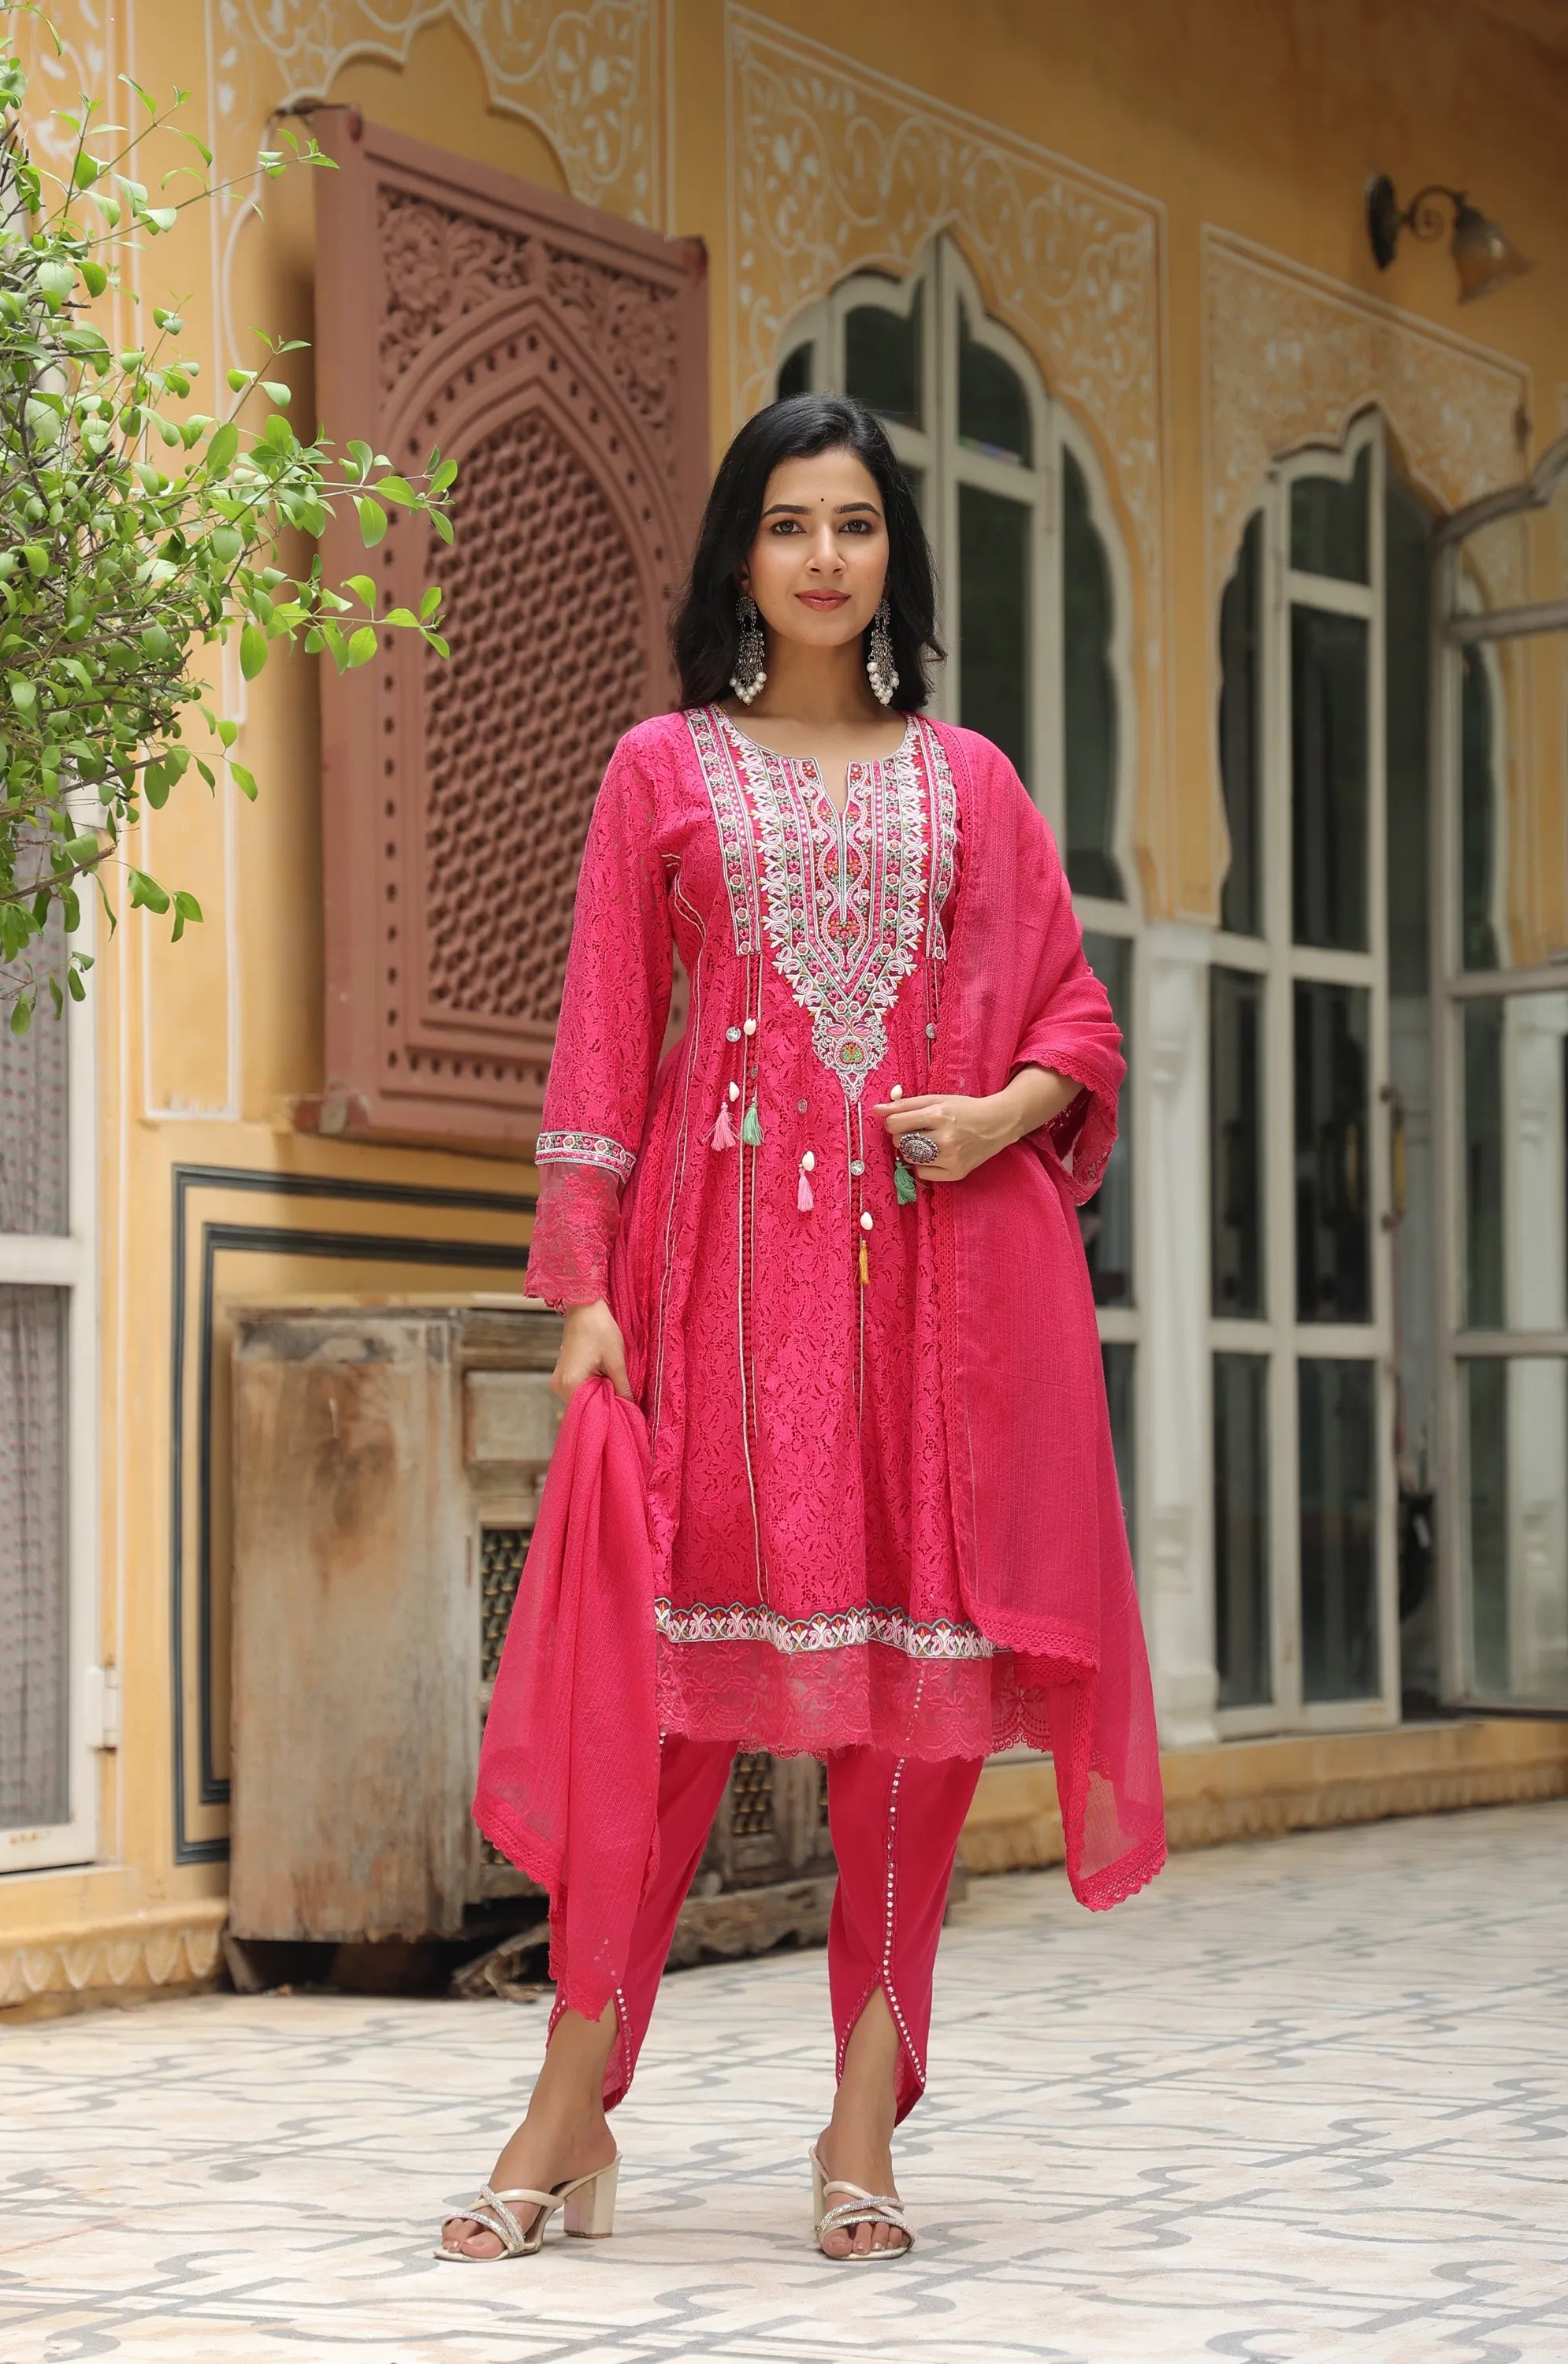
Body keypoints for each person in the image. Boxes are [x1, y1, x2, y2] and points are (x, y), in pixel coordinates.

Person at [440, 392, 1165, 2267]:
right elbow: (604, 1042)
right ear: (738, 557)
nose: (825, 556)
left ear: (891, 559)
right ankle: (568, 2103)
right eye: (788, 524)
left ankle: (863, 2118)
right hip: (713, 1284)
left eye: (855, 525)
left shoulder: (973, 786)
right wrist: (584, 1295)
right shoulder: (657, 770)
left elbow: (1071, 1022)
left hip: (927, 1316)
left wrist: (998, 1119)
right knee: (660, 1706)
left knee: (904, 1727)